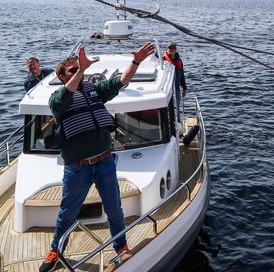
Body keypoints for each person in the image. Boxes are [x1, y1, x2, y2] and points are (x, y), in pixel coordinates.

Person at [39, 42, 155, 272]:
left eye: (78, 69)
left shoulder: (93, 91)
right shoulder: (57, 99)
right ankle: (56, 250)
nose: (78, 72)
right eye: (72, 70)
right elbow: (63, 99)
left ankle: (121, 247)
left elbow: (120, 81)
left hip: (104, 162)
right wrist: (82, 68)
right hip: (77, 168)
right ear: (62, 76)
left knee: (114, 208)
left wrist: (136, 62)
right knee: (67, 213)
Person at [163, 42, 187, 111]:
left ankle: (178, 118)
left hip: (176, 88)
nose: (172, 49)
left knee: (178, 104)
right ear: (167, 49)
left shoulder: (179, 60)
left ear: (175, 49)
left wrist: (184, 88)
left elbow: (182, 75)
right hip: (167, 89)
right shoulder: (163, 59)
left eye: (174, 48)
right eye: (170, 48)